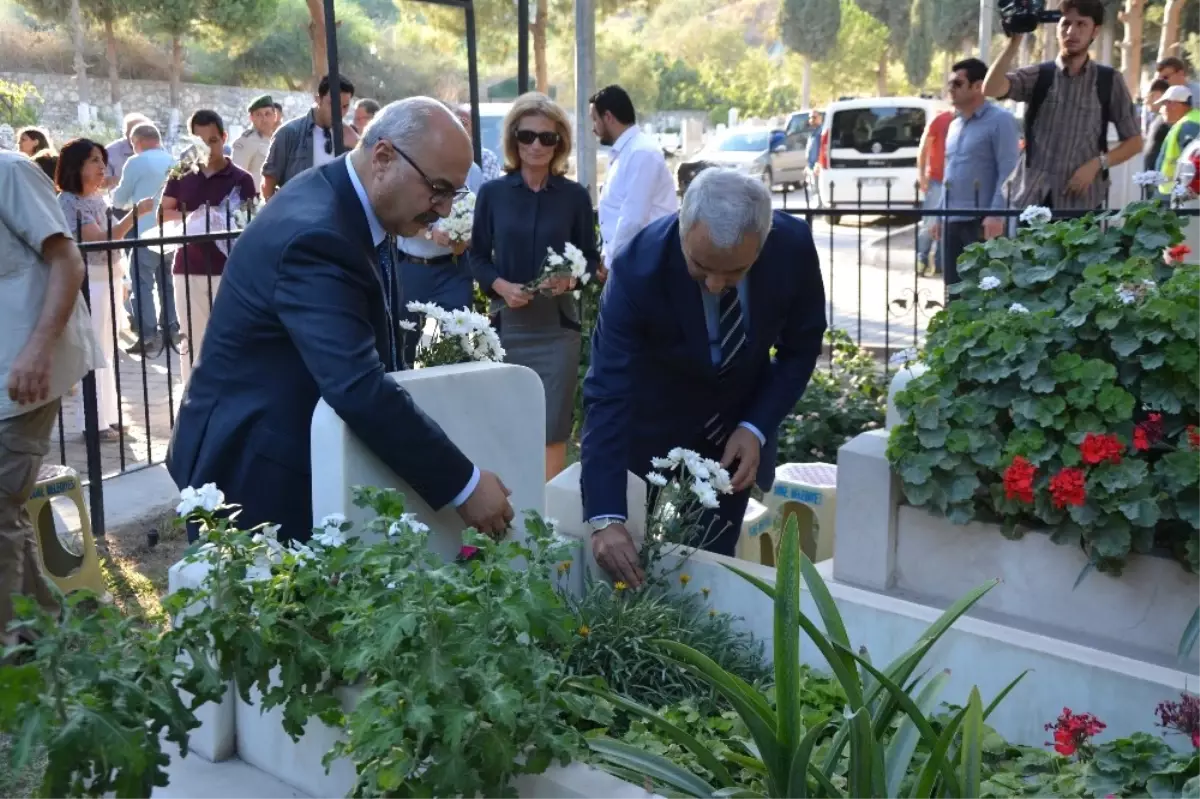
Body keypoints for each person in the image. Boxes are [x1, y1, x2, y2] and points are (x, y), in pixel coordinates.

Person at [167, 97, 515, 544]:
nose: (445, 209)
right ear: (384, 157)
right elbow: (357, 385)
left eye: (454, 194)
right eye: (438, 189)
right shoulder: (318, 236)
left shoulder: (354, 202)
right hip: (252, 472)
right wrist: (464, 485)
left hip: (283, 447)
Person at [580, 169, 827, 585]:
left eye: (734, 273)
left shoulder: (792, 247)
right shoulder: (636, 270)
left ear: (763, 243)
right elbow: (607, 391)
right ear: (682, 225)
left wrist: (756, 426)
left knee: (715, 565)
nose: (715, 285)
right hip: (651, 425)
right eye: (701, 266)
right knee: (625, 560)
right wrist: (605, 518)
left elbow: (800, 348)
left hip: (735, 434)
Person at [471, 93, 600, 481]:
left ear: (560, 143)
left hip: (557, 330)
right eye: (527, 136)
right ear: (514, 139)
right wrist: (501, 286)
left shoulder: (574, 197)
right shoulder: (493, 194)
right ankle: (507, 507)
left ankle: (544, 516)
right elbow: (476, 257)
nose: (536, 146)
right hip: (506, 325)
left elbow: (592, 260)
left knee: (552, 424)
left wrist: (572, 279)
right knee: (505, 420)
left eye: (548, 138)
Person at [0, 152, 98, 646]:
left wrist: (38, 349)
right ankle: (48, 637)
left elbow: (68, 260)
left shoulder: (10, 171)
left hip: (24, 374)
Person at [983, 0, 1141, 210]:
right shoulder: (1039, 75)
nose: (1071, 32)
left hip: (1082, 200)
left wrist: (1096, 164)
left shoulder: (1108, 81)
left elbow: (1134, 142)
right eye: (1065, 24)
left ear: (1095, 31)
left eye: (1081, 24)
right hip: (1034, 200)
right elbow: (991, 89)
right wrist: (1014, 42)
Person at [55, 139, 153, 440]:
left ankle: (108, 415)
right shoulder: (69, 202)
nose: (101, 167)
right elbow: (100, 238)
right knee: (94, 349)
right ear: (76, 166)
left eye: (102, 160)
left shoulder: (97, 199)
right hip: (89, 280)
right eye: (94, 161)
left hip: (108, 276)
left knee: (108, 348)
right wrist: (133, 216)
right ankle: (92, 421)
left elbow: (113, 240)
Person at [159, 110, 257, 385]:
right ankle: (193, 401)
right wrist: (196, 217)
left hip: (230, 269)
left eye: (213, 140)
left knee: (232, 336)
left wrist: (221, 219)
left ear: (224, 138)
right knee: (191, 337)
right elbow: (163, 213)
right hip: (188, 267)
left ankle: (230, 399)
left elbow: (252, 220)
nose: (208, 147)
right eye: (200, 141)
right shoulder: (181, 173)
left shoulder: (241, 178)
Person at [396, 109, 485, 366]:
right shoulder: (417, 163)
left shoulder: (475, 172)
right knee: (407, 340)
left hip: (453, 269)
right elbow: (399, 215)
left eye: (465, 125)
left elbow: (476, 213)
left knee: (457, 342)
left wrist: (464, 239)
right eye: (455, 124)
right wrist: (429, 231)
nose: (461, 129)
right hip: (413, 266)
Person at [931, 58, 1021, 288]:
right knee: (953, 290)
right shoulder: (954, 125)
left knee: (983, 291)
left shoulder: (1001, 121)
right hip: (952, 220)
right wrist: (939, 214)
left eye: (957, 84)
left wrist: (996, 214)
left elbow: (1009, 171)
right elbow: (950, 174)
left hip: (981, 222)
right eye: (949, 83)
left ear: (978, 86)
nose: (950, 89)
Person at [590, 85, 678, 278]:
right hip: (632, 262)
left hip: (648, 264)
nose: (593, 128)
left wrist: (611, 263)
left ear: (608, 117)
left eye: (595, 120)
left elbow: (633, 218)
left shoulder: (641, 152)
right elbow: (615, 211)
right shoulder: (627, 152)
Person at [113, 123, 178, 357]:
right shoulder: (174, 160)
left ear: (137, 142)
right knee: (167, 282)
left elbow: (120, 198)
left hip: (144, 230)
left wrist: (119, 201)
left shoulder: (136, 162)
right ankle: (172, 327)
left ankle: (148, 333)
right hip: (170, 228)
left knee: (142, 283)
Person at [262, 74, 359, 199]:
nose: (339, 112)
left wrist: (357, 145)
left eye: (345, 107)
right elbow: (268, 184)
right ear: (318, 99)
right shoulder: (289, 134)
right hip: (297, 213)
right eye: (333, 104)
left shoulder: (350, 137)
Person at [915, 107, 954, 275]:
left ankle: (940, 264)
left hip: (955, 181)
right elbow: (923, 149)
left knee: (948, 225)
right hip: (937, 179)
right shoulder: (939, 120)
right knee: (930, 223)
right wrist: (922, 176)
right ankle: (921, 259)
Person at [1155, 86, 1200, 191]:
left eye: (1164, 104)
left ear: (1174, 104)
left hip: (1178, 192)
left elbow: (1193, 165)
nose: (1161, 110)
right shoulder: (1189, 121)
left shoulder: (1188, 125)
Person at [231, 95, 279, 192]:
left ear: (275, 116)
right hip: (254, 200)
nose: (264, 119)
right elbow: (236, 177)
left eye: (267, 114)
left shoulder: (278, 138)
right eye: (258, 115)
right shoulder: (245, 142)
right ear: (251, 118)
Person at [104, 112, 151, 192]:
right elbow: (101, 182)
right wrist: (121, 181)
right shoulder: (111, 151)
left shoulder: (155, 148)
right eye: (135, 132)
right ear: (126, 133)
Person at [455, 103, 503, 183]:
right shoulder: (442, 156)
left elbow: (482, 191)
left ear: (474, 128)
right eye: (455, 123)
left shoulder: (486, 158)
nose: (458, 127)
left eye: (463, 123)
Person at [1143, 78, 1172, 170]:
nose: (1146, 102)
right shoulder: (1157, 119)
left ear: (1159, 95)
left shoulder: (1170, 121)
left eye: (1148, 96)